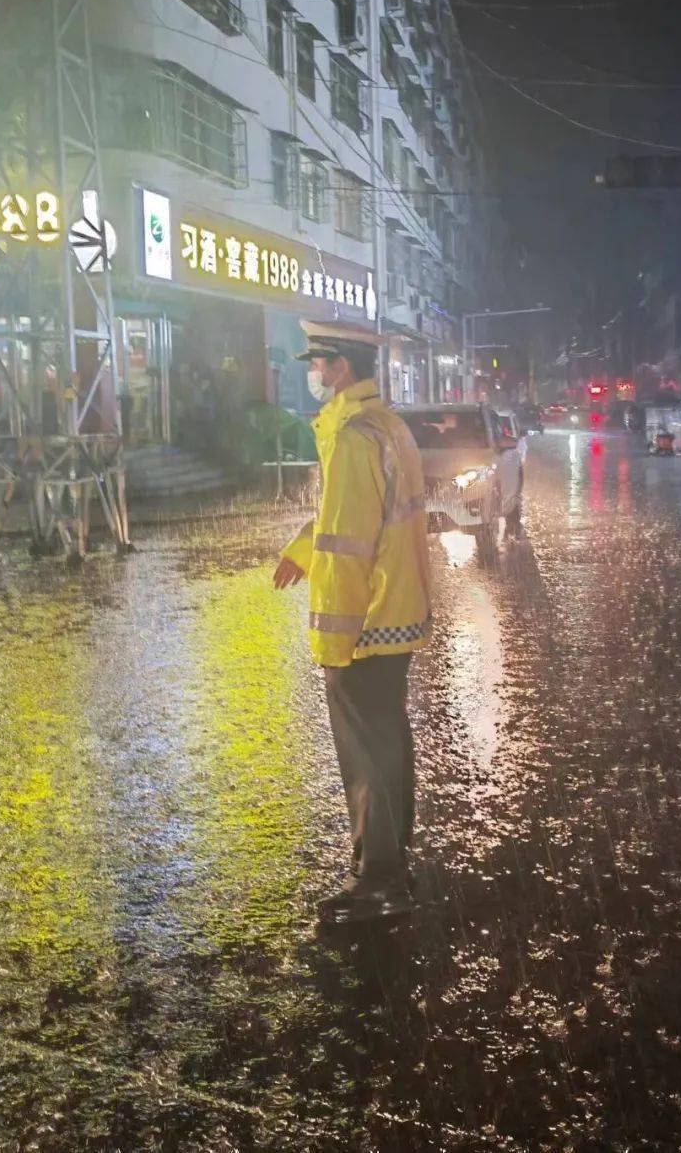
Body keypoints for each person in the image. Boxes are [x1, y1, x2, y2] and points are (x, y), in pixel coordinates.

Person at [273, 320, 431, 926]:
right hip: (396, 613)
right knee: (387, 742)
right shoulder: (387, 427)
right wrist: (302, 547)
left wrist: (334, 641)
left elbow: (350, 549)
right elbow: (348, 525)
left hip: (364, 624)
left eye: (317, 364)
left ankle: (381, 882)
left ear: (339, 368)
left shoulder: (355, 439)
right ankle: (389, 866)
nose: (312, 375)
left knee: (368, 753)